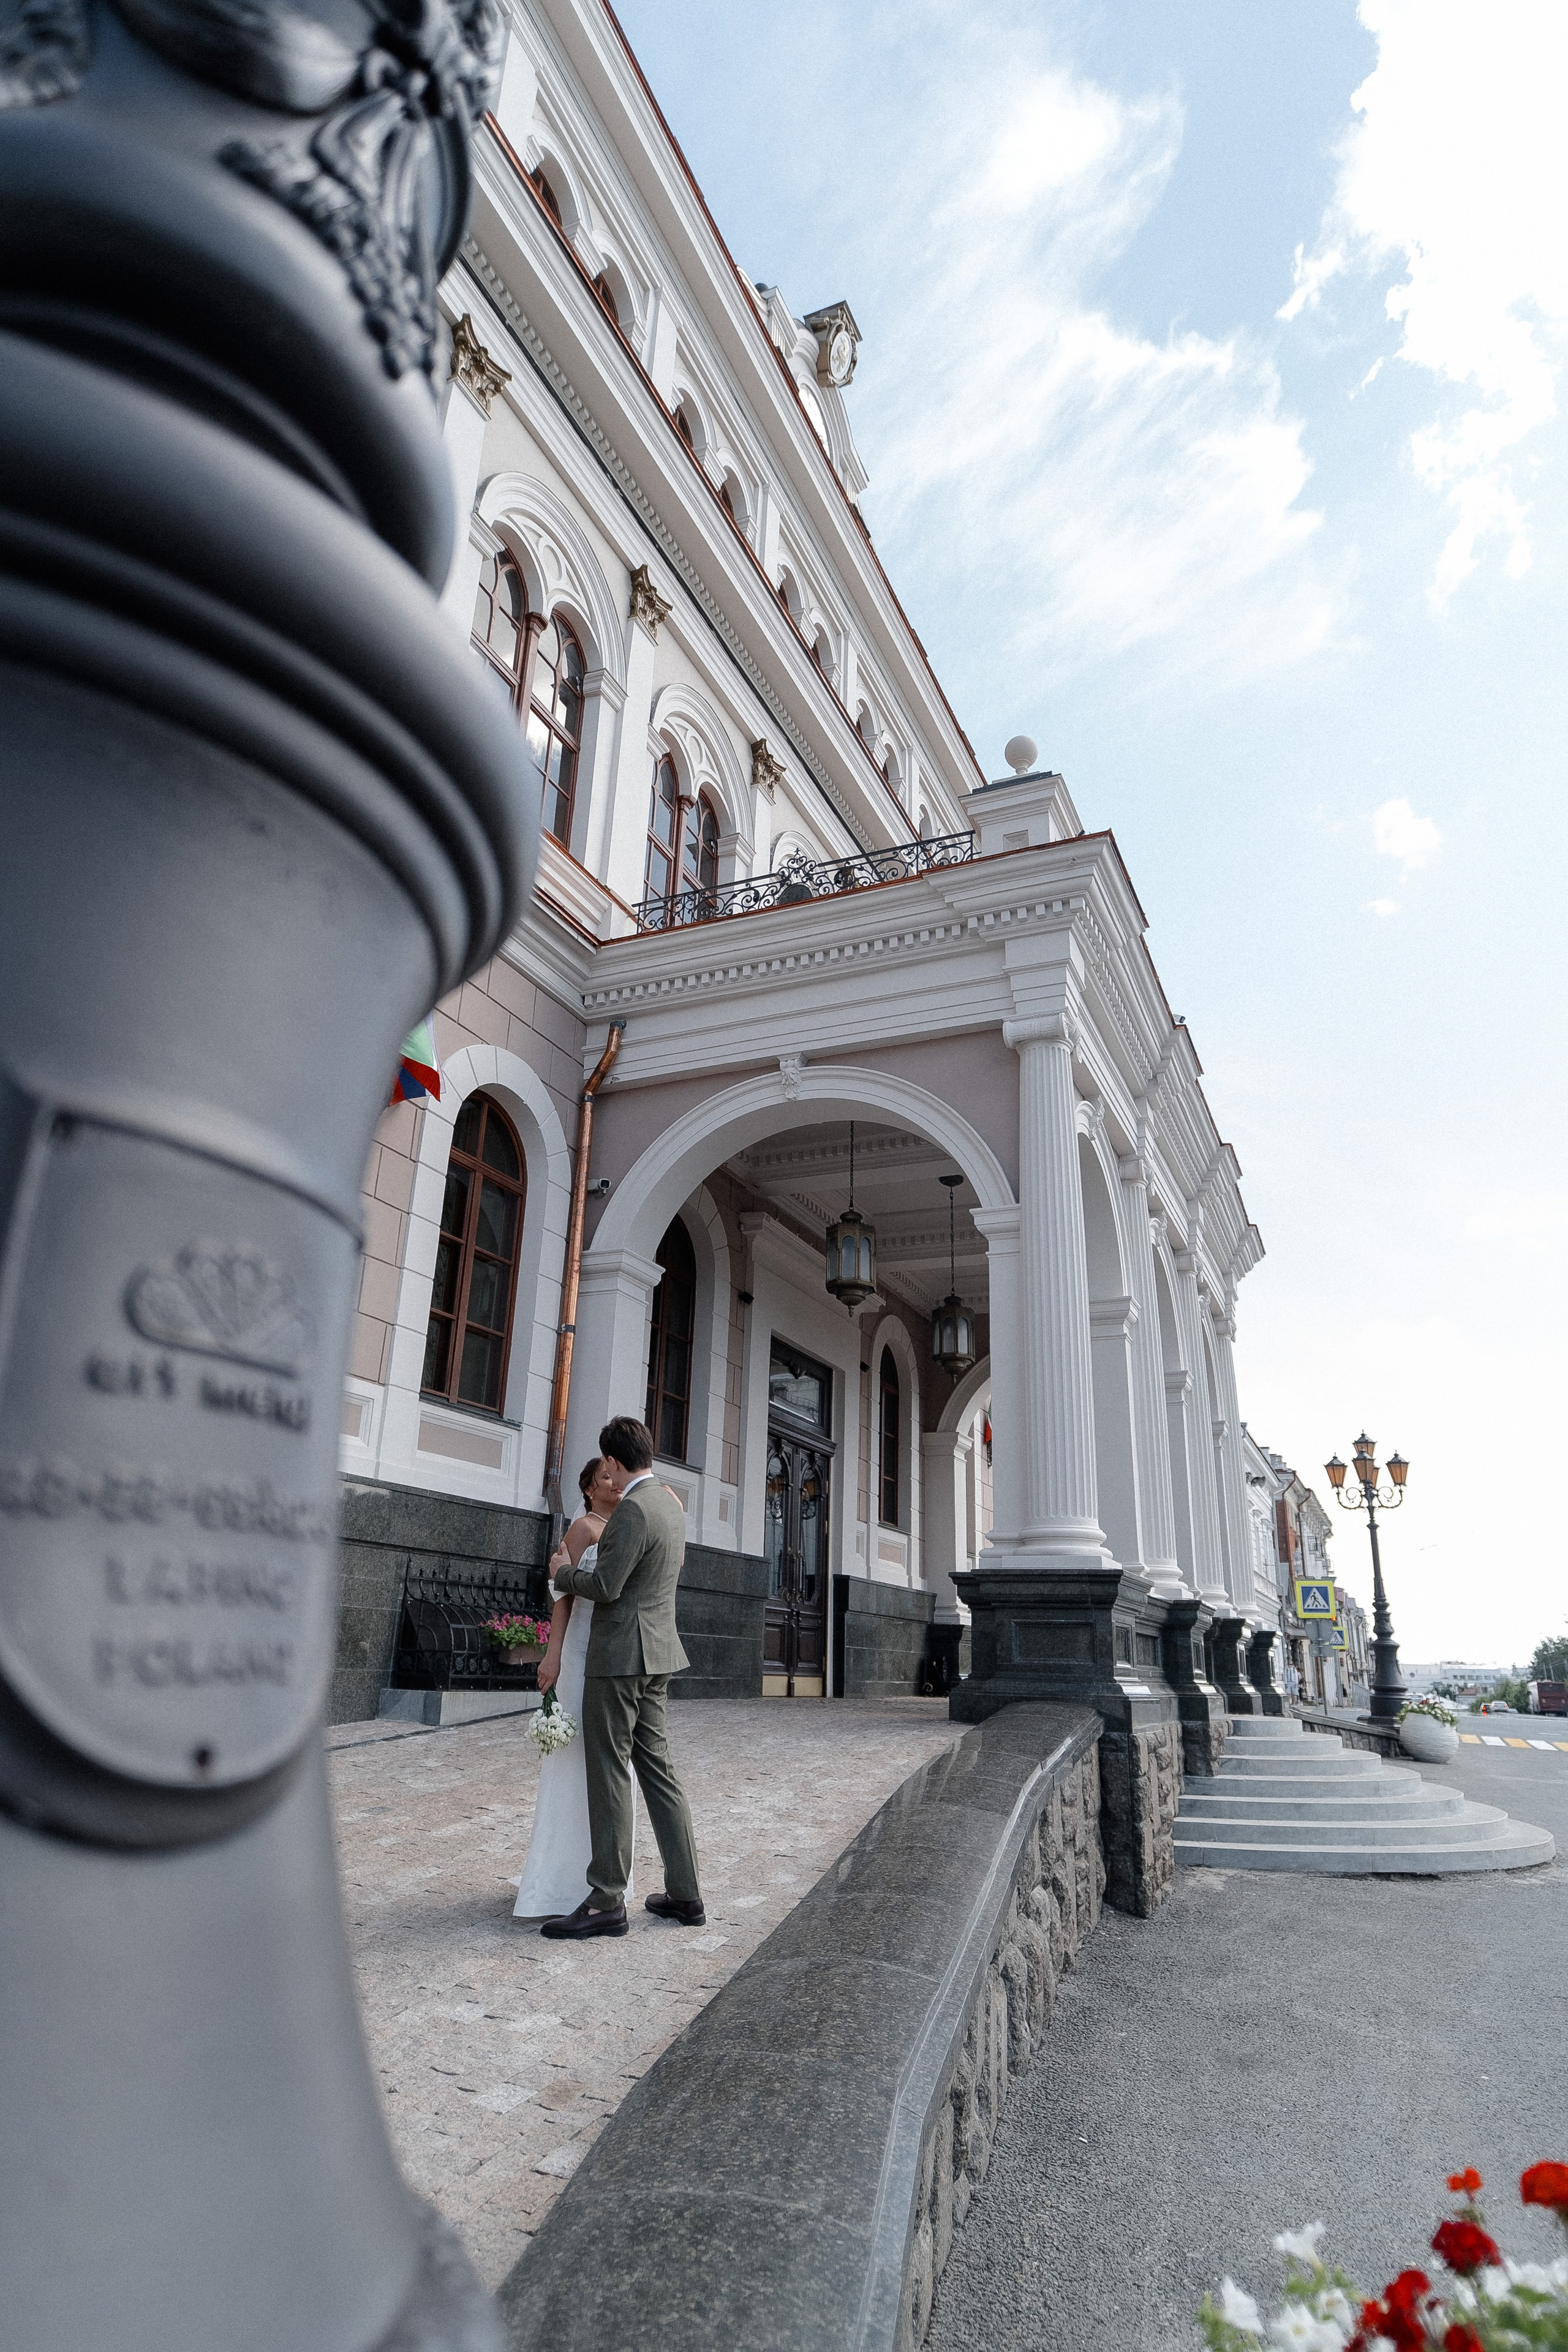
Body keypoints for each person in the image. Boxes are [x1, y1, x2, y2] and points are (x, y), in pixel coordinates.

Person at [538, 1415, 704, 1940]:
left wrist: (561, 1573)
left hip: (620, 1657)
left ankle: (607, 1899)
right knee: (659, 1771)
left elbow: (607, 1585)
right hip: (658, 1654)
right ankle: (686, 1892)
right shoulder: (671, 1506)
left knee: (610, 1769)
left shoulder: (633, 1510)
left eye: (605, 1462)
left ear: (611, 1461)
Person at [511, 1455, 627, 1921]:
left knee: (607, 1764)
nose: (614, 1482)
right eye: (604, 1477)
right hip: (579, 1650)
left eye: (616, 1475)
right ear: (588, 1488)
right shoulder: (584, 1528)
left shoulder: (627, 1526)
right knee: (573, 1759)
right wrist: (553, 1655)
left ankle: (603, 1876)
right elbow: (562, 1598)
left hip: (611, 1651)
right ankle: (559, 1883)